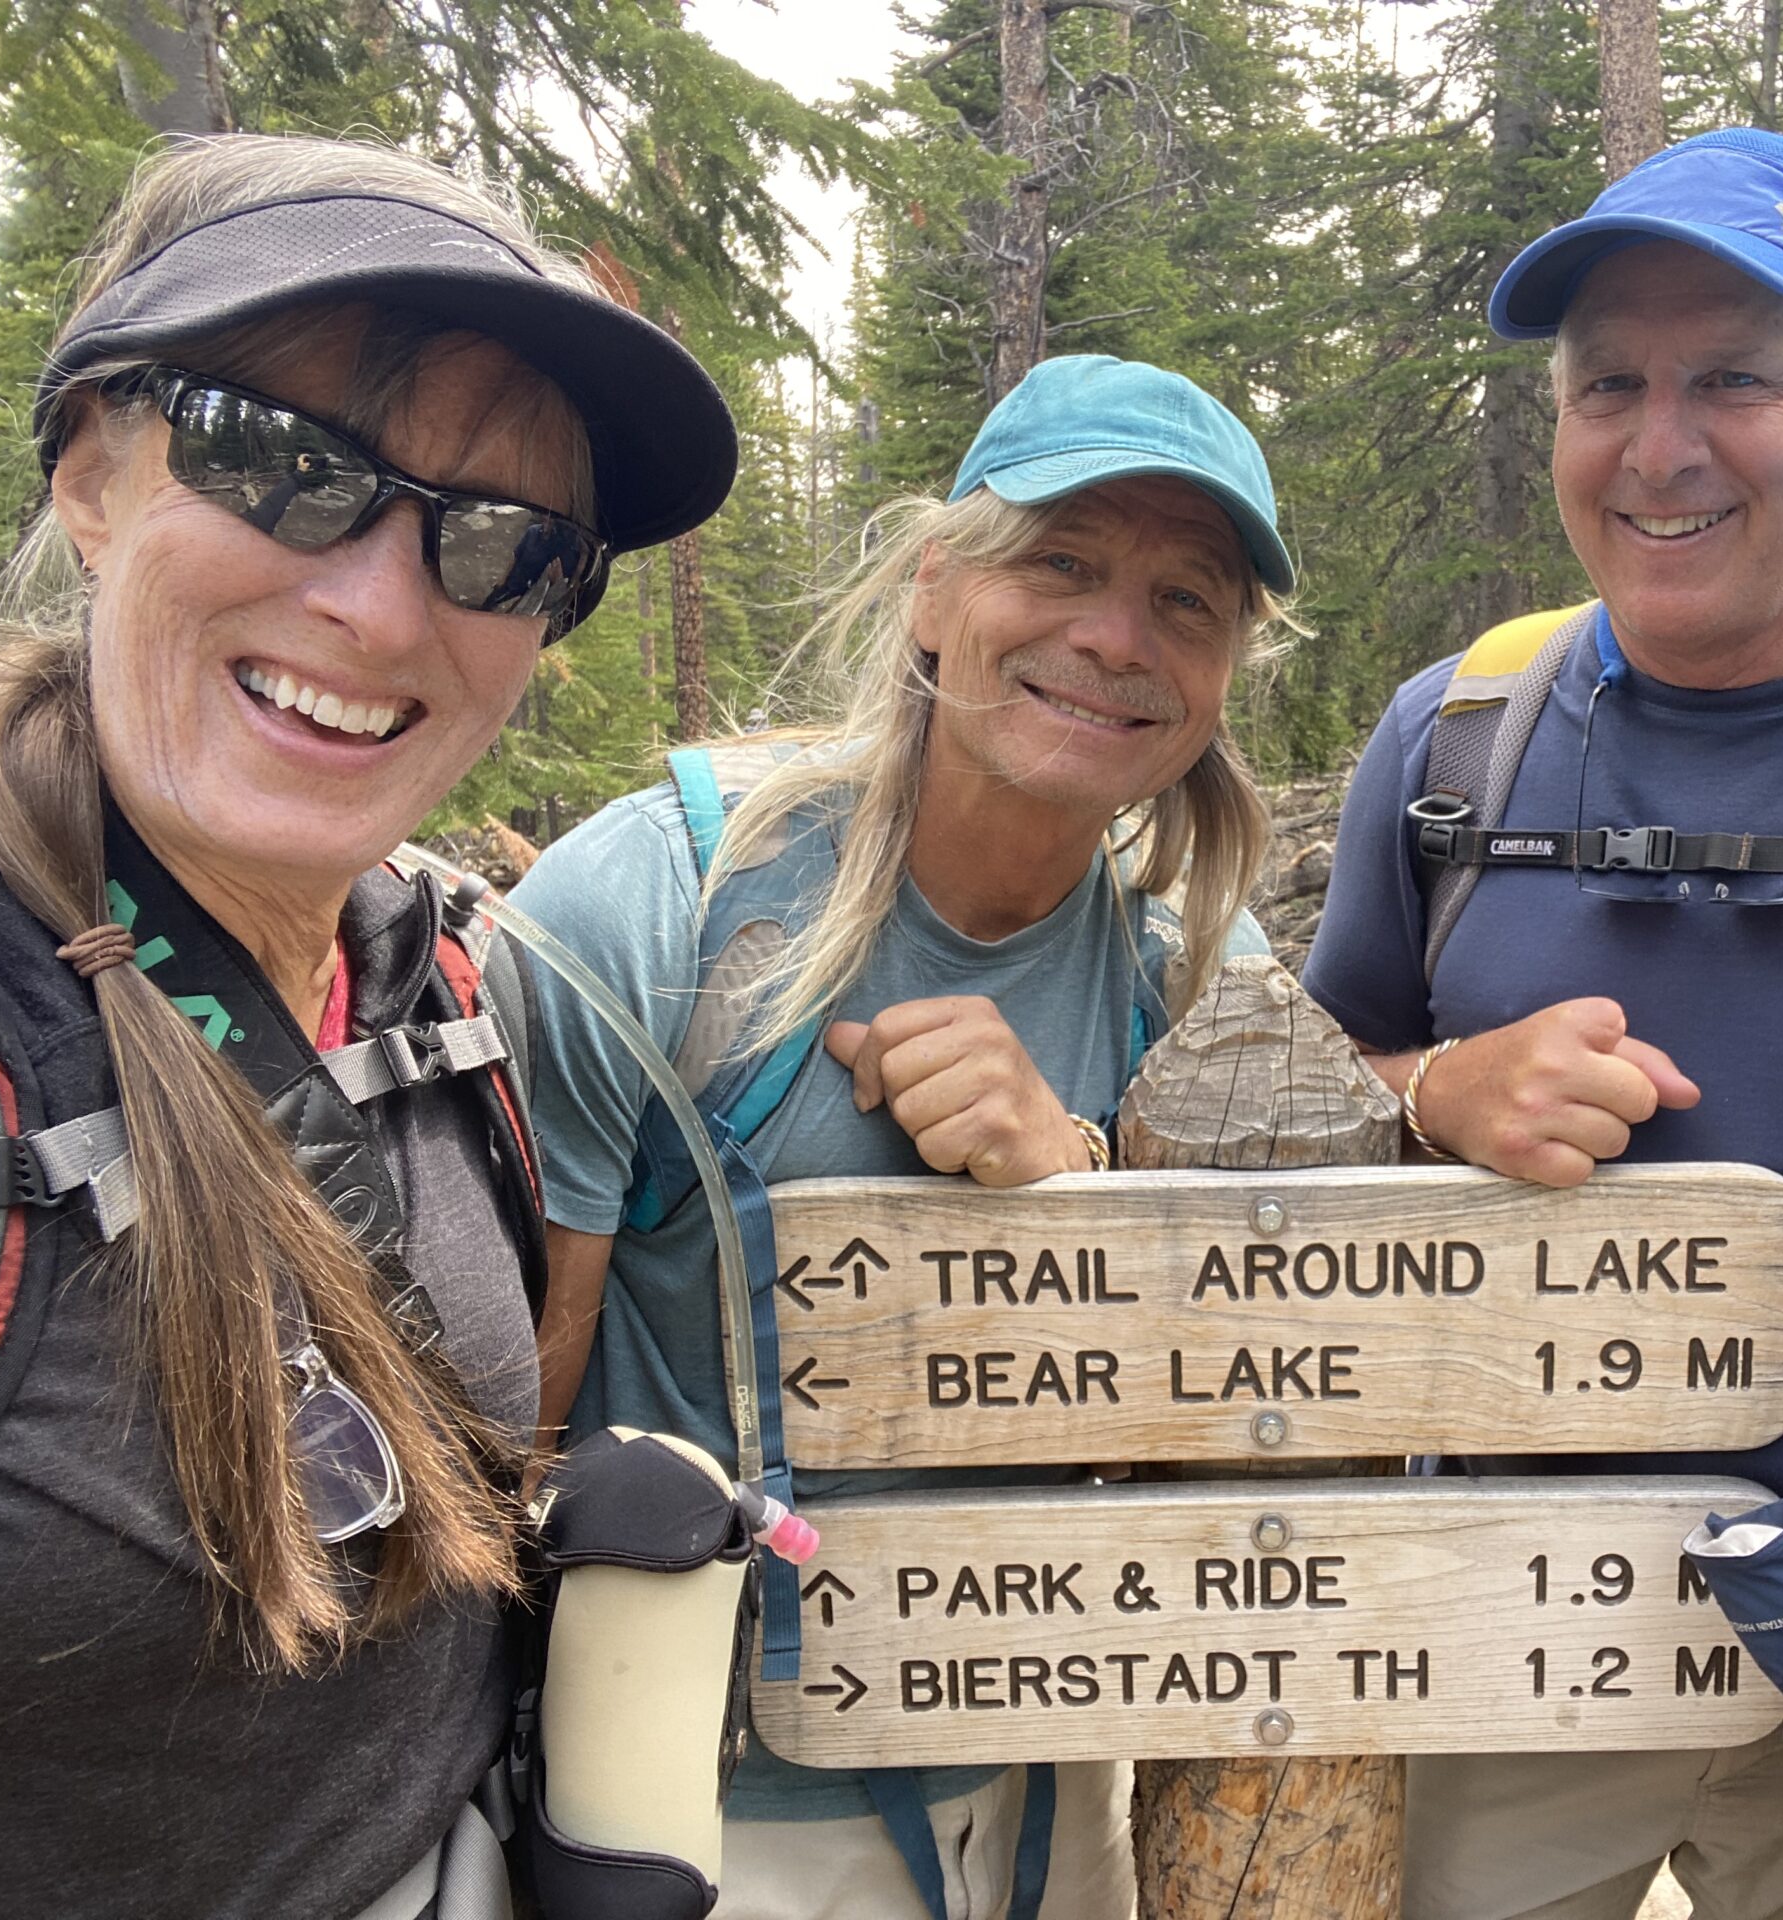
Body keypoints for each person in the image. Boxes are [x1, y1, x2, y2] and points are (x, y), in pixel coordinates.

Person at [0, 136, 735, 1920]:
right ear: (93, 469)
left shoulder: (443, 974)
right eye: (284, 464)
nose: (388, 605)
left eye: (503, 545)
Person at [1302, 130, 1783, 1920]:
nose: (1660, 446)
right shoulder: (1457, 735)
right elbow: (1285, 1113)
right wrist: (1433, 1093)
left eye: (1733, 379)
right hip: (1515, 1631)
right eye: (1607, 384)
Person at [510, 352, 1292, 1920]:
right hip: (708, 1797)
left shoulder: (1202, 974)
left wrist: (1077, 1186)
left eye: (1185, 600)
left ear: (1218, 679)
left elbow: (1271, 1404)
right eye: (1060, 561)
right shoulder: (658, 907)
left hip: (1047, 1761)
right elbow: (505, 1418)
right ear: (936, 587)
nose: (1115, 635)